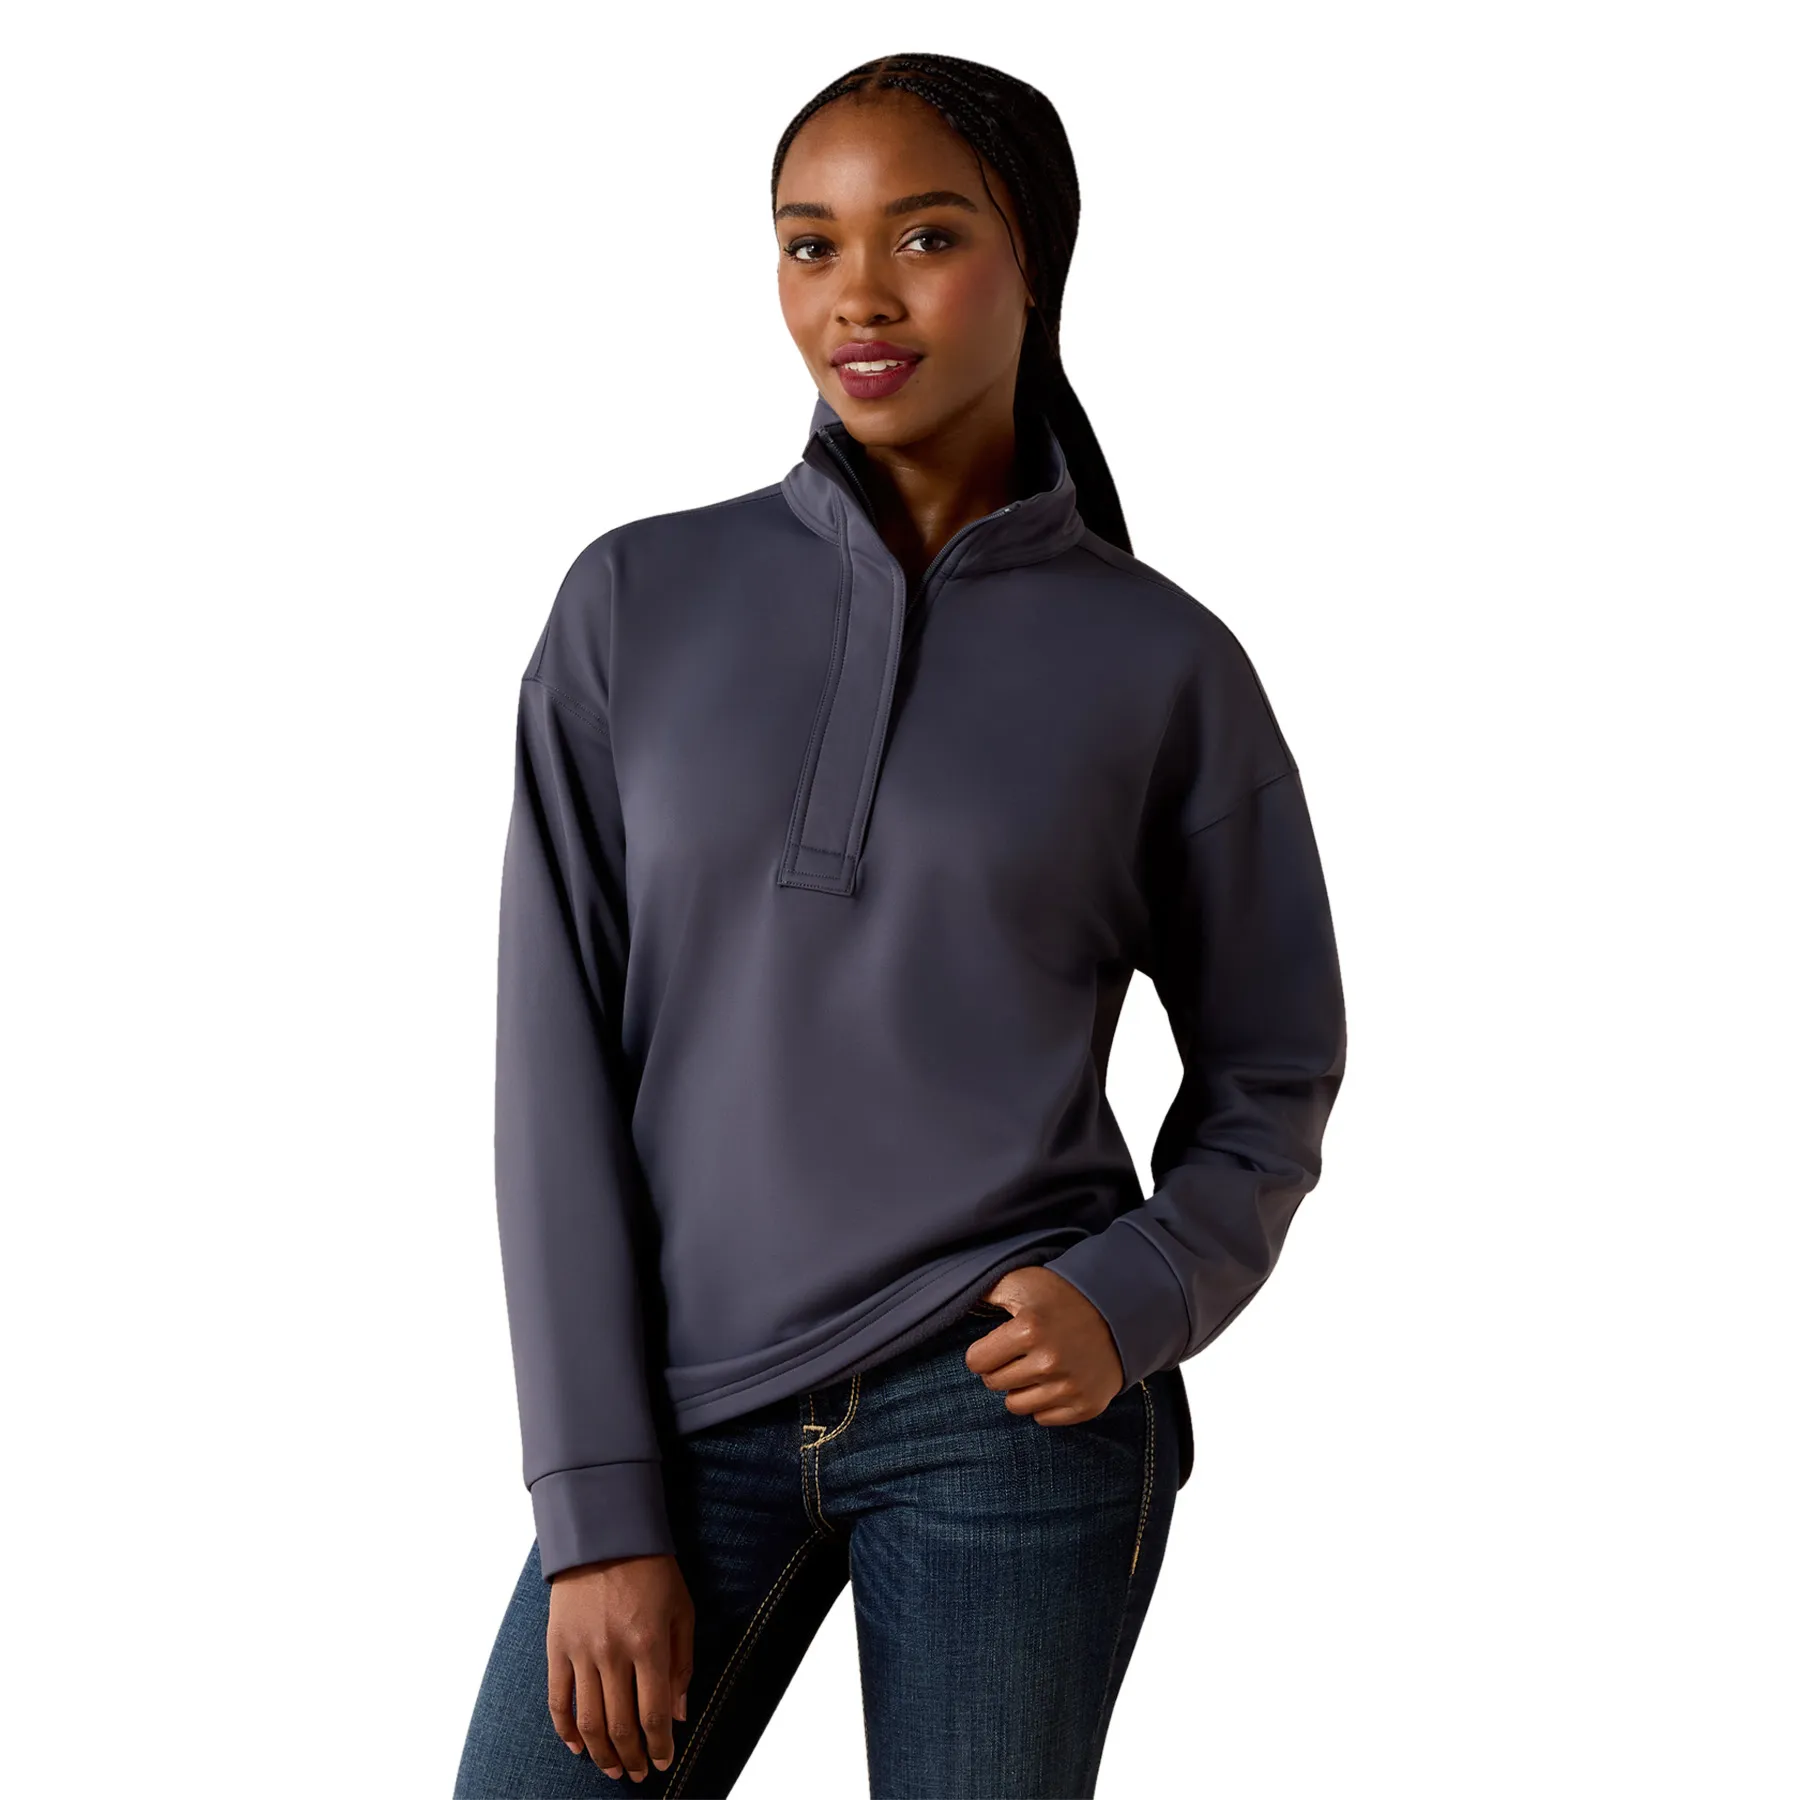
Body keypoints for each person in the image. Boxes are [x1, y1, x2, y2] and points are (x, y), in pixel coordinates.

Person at [454, 51, 1347, 1800]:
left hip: (1006, 1413)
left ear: (1036, 266)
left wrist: (1141, 1289)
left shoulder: (1164, 663)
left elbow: (1276, 1060)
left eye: (924, 238)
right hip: (682, 1407)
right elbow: (551, 1075)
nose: (857, 296)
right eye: (811, 244)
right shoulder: (634, 601)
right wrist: (596, 1508)